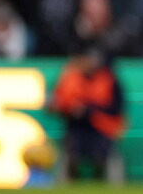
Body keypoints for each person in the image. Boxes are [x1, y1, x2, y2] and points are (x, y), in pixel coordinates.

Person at [49, 49, 126, 181]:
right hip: (76, 127)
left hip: (102, 128)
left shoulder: (109, 80)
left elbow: (116, 108)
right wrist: (69, 109)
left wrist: (89, 110)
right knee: (71, 150)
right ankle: (69, 178)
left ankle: (102, 177)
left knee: (103, 154)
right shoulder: (69, 78)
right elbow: (56, 103)